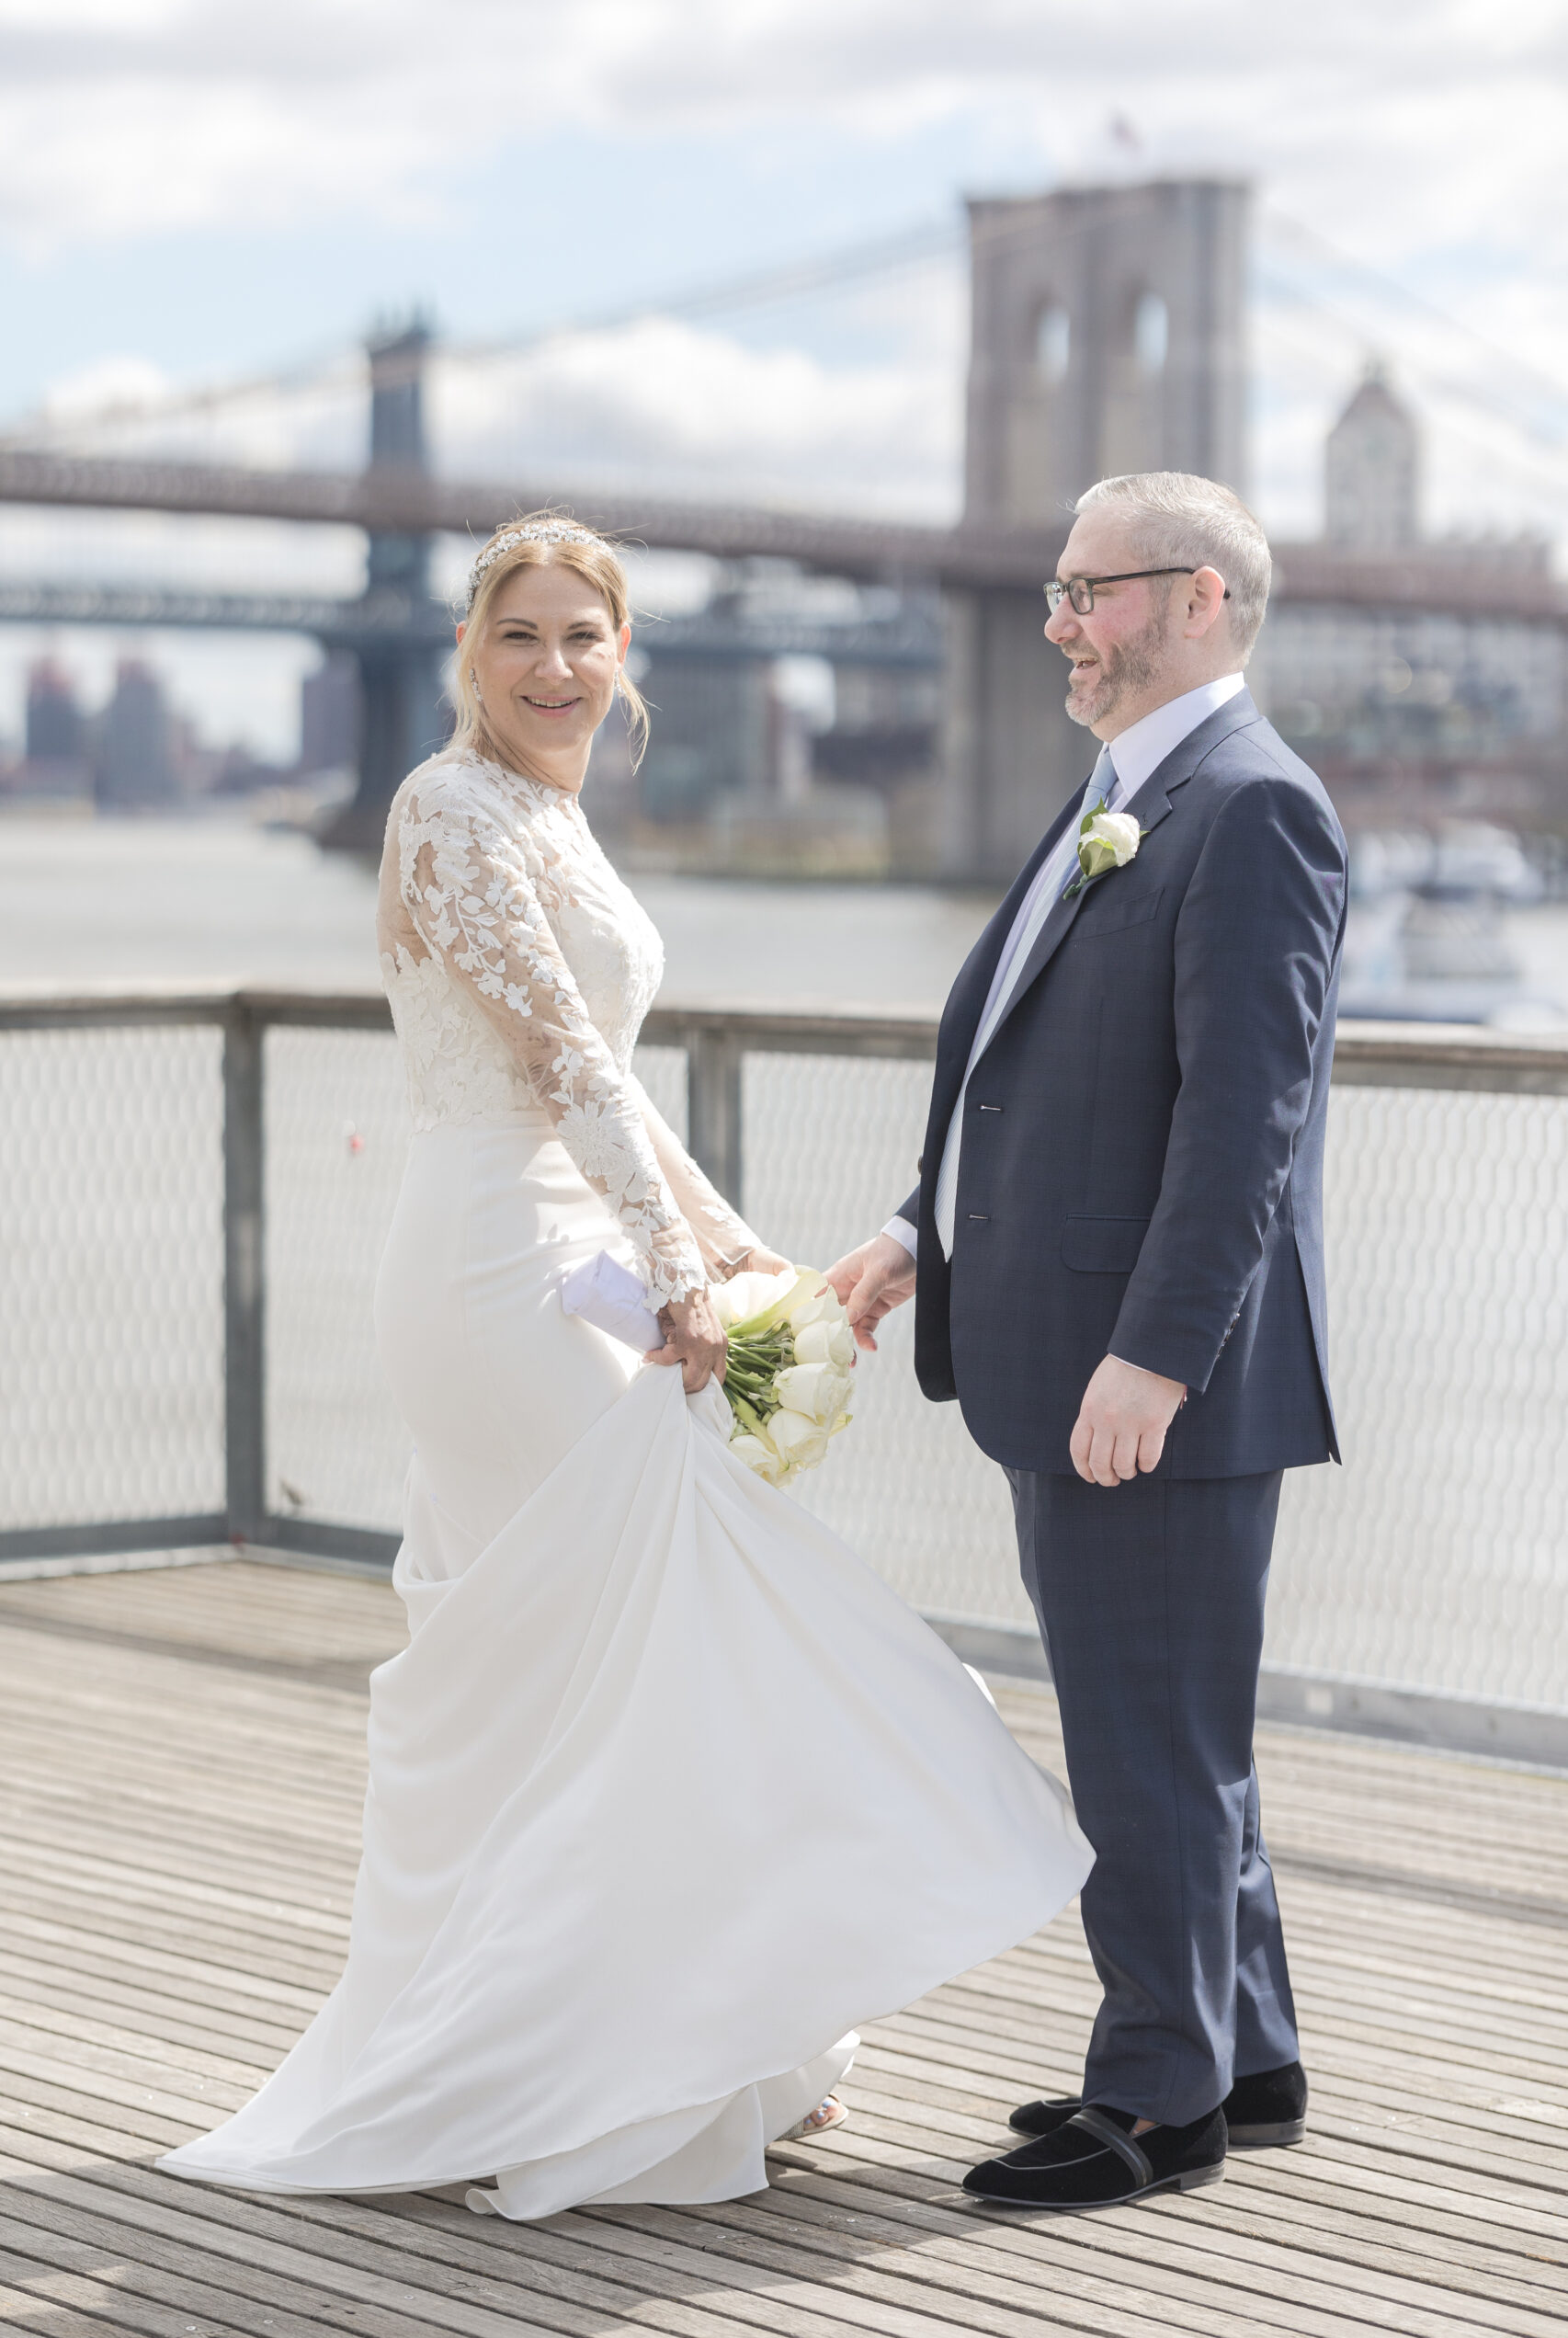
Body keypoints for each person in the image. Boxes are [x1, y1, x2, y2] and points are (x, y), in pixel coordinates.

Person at [156, 512, 1091, 2218]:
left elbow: (616, 1095)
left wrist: (730, 1250)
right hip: (492, 1266)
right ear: (469, 654)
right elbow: (560, 1055)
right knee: (632, 1640)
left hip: (570, 1246)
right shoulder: (446, 806)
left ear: (625, 657)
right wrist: (676, 1278)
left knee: (592, 1663)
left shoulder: (558, 819)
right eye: (520, 634)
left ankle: (644, 2046)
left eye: (585, 636)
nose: (555, 666)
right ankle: (600, 2075)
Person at [827, 471, 1347, 2215]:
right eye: (1051, 590)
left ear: (1196, 597)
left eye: (1087, 591)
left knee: (1142, 1744)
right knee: (1177, 1728)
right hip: (1076, 1346)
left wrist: (1158, 1356)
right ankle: (1246, 2056)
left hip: (1150, 1379)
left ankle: (1153, 2104)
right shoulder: (1126, 792)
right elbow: (1024, 1070)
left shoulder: (1252, 807)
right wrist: (922, 1232)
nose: (1055, 621)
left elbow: (1241, 1132)